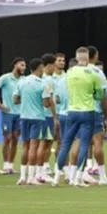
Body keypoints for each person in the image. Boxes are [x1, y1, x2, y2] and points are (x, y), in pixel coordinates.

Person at [53, 47, 102, 187]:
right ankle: (78, 179)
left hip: (72, 111)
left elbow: (61, 94)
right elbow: (99, 95)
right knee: (84, 145)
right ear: (87, 59)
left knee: (65, 144)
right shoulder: (93, 74)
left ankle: (56, 178)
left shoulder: (68, 73)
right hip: (87, 112)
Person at [13, 58, 53, 185]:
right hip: (37, 118)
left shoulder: (22, 82)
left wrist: (25, 101)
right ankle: (31, 177)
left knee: (25, 147)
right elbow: (46, 104)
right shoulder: (43, 84)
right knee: (34, 147)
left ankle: (22, 177)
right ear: (40, 68)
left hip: (24, 117)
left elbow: (15, 100)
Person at [0, 57, 26, 174]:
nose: (24, 68)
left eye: (25, 66)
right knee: (7, 138)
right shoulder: (6, 78)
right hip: (7, 113)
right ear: (15, 65)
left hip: (20, 113)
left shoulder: (24, 80)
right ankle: (6, 164)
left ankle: (11, 165)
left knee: (16, 139)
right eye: (22, 65)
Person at [88, 53, 107, 184]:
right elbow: (103, 97)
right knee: (98, 143)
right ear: (95, 56)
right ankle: (102, 176)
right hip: (95, 111)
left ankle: (79, 173)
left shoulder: (75, 72)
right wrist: (106, 116)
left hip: (78, 111)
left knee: (80, 143)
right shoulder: (98, 73)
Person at [37, 53, 60, 182]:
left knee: (47, 142)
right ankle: (40, 170)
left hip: (43, 115)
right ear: (50, 65)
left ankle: (42, 167)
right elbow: (49, 100)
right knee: (44, 143)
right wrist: (55, 116)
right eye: (54, 65)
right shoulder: (47, 80)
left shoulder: (42, 78)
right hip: (47, 115)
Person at [53, 58, 76, 183]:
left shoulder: (60, 81)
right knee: (78, 144)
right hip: (74, 113)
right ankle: (74, 176)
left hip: (62, 114)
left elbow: (56, 99)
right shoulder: (78, 80)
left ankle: (58, 176)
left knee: (63, 145)